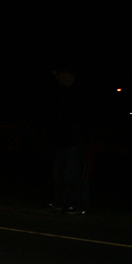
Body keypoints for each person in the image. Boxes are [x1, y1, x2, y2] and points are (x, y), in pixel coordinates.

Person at [49, 68, 89, 214]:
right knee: (58, 174)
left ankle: (75, 204)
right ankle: (61, 202)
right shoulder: (64, 93)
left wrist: (76, 137)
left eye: (59, 75)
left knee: (70, 174)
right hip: (62, 141)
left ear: (67, 74)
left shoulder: (79, 93)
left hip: (73, 142)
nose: (57, 78)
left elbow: (81, 119)